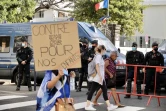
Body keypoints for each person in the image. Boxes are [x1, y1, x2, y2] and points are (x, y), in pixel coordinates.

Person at [85, 45, 118, 111]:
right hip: (98, 77)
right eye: (105, 50)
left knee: (102, 90)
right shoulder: (98, 56)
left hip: (100, 77)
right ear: (102, 49)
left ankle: (108, 106)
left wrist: (100, 76)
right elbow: (97, 66)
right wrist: (100, 76)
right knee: (94, 91)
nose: (105, 51)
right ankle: (88, 105)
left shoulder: (99, 56)